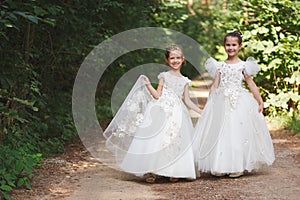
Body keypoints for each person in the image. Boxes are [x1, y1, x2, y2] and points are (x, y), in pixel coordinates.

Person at [103, 45, 202, 183]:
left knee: (175, 140)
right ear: (167, 60)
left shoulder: (185, 80)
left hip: (177, 112)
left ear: (183, 59)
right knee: (156, 140)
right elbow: (157, 95)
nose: (175, 60)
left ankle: (174, 170)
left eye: (178, 58)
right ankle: (151, 171)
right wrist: (148, 84)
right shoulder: (164, 76)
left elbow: (187, 100)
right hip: (160, 110)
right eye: (172, 58)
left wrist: (200, 111)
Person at [193, 31, 275, 178]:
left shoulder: (243, 65)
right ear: (224, 46)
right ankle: (220, 164)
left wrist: (259, 100)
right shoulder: (219, 66)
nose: (230, 48)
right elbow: (214, 85)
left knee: (237, 132)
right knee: (221, 132)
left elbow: (251, 83)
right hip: (221, 101)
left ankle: (237, 165)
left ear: (239, 46)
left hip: (239, 101)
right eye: (228, 45)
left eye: (234, 45)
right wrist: (210, 101)